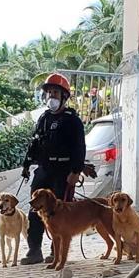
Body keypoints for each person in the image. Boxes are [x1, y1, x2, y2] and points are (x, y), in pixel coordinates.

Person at [20, 72, 86, 265]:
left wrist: (75, 172)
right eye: (49, 93)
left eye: (55, 93)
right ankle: (34, 250)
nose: (51, 97)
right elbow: (35, 142)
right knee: (35, 209)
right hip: (44, 169)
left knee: (60, 211)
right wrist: (26, 164)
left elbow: (79, 148)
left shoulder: (72, 120)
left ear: (64, 96)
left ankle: (55, 251)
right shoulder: (43, 118)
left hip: (64, 171)